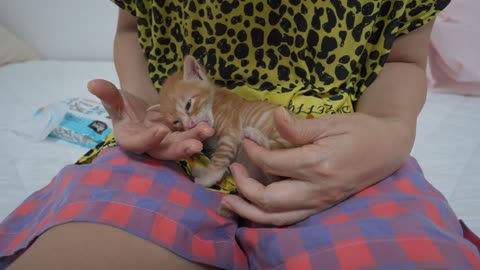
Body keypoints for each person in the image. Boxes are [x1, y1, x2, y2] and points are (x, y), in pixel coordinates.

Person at [1, 0, 479, 269]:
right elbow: (133, 25)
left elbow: (403, 58)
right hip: (170, 149)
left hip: (345, 154)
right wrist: (148, 106)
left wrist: (391, 130)